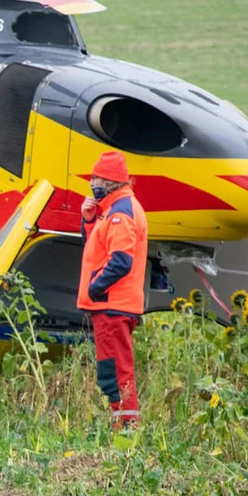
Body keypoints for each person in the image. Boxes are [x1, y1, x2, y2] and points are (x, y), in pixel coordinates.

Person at [78, 150, 148, 430]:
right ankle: (122, 427)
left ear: (109, 182)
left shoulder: (121, 213)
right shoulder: (113, 211)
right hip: (112, 305)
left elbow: (120, 261)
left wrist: (96, 289)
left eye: (95, 178)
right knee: (112, 370)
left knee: (117, 372)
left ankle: (127, 431)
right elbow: (97, 247)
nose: (92, 183)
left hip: (112, 306)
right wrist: (89, 219)